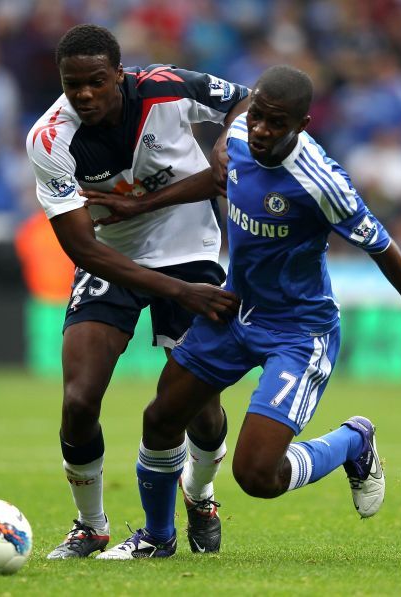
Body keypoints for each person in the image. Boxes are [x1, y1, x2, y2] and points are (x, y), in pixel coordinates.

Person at [97, 65, 401, 559]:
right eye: (258, 118)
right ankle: (157, 538)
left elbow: (384, 248)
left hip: (297, 333)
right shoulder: (242, 141)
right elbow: (218, 179)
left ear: (303, 124)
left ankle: (353, 441)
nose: (262, 131)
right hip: (235, 311)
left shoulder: (323, 184)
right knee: (161, 418)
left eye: (276, 123)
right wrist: (143, 206)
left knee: (257, 476)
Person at [25, 24, 250, 558]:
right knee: (78, 401)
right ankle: (91, 525)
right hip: (112, 256)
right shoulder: (50, 138)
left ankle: (199, 494)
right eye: (72, 83)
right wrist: (180, 293)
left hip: (190, 246)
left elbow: (247, 100)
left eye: (95, 82)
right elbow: (83, 250)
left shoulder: (168, 87)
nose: (83, 94)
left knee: (199, 408)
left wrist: (224, 142)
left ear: (118, 76)